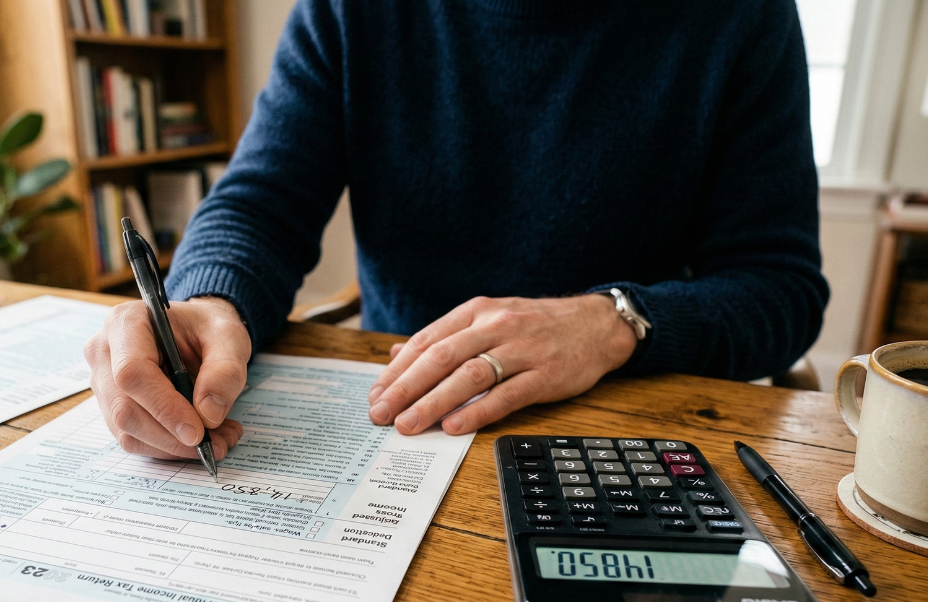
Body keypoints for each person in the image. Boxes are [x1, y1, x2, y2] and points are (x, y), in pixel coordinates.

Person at [83, 0, 829, 462]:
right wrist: (211, 301)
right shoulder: (349, 11)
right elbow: (259, 205)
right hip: (398, 424)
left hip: (626, 433)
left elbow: (780, 284)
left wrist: (615, 322)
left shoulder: (742, 15)